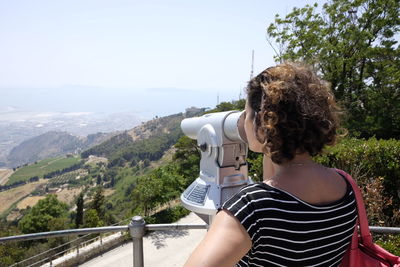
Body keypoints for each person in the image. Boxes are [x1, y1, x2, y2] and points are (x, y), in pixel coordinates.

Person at [184, 63, 357, 267]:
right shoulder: (345, 185)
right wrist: (271, 143)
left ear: (263, 121)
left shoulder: (252, 208)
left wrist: (268, 136)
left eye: (246, 114)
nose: (243, 123)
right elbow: (276, 189)